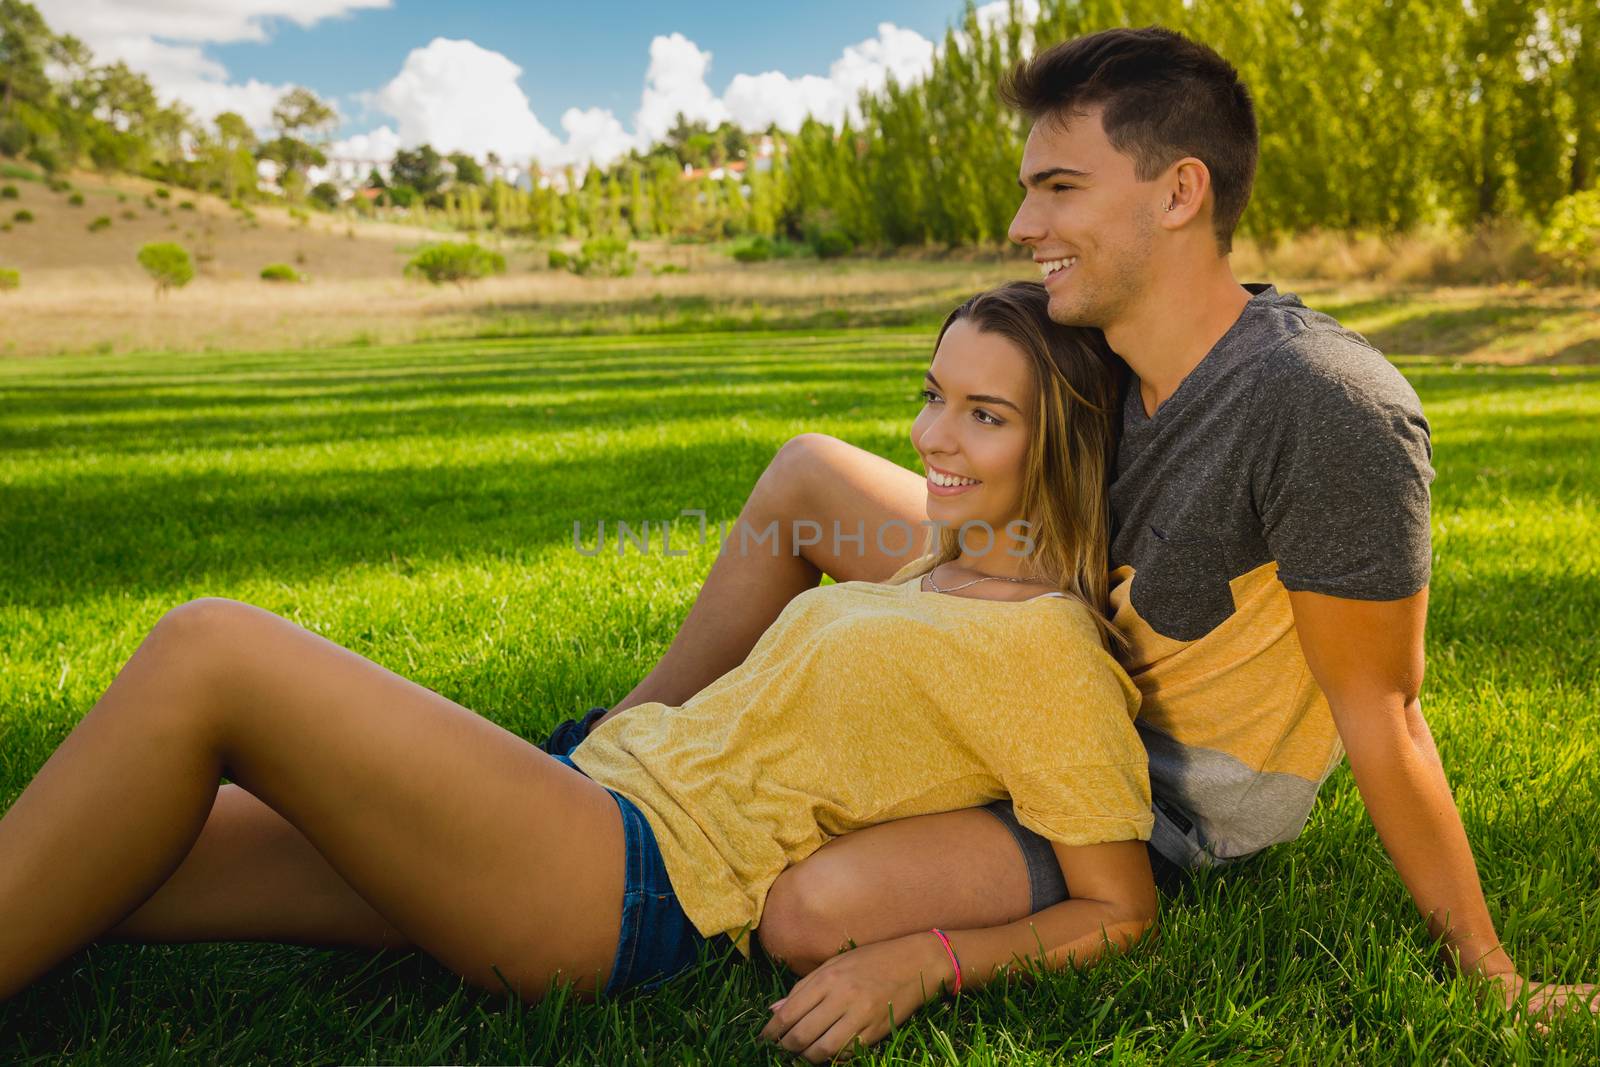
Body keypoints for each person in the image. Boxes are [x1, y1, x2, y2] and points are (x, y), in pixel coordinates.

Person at [557, 26, 1600, 1045]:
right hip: (1049, 626)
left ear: (1179, 192)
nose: (1022, 222)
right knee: (808, 474)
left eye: (1059, 187)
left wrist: (1489, 971)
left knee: (813, 907)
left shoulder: (1322, 407)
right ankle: (613, 747)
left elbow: (1385, 712)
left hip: (1139, 778)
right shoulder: (1100, 341)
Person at [0, 282, 1160, 1061]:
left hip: (624, 881)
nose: (928, 436)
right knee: (105, 854)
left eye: (982, 414)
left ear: (1064, 439)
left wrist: (926, 959)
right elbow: (812, 482)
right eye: (931, 393)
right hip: (583, 788)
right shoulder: (945, 556)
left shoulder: (1045, 651)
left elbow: (1119, 906)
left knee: (214, 648)